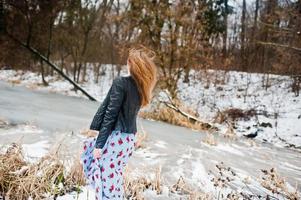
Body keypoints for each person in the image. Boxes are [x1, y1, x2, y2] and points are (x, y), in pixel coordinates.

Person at [80, 46, 157, 200]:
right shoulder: (141, 86)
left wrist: (99, 145)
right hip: (128, 140)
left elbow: (110, 115)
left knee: (103, 175)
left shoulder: (121, 82)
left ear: (130, 64)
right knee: (114, 178)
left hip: (116, 138)